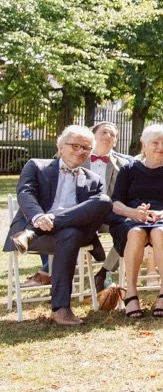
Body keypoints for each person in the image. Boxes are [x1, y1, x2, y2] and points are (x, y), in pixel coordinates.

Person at [5, 126, 112, 326]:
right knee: (71, 233)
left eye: (87, 148)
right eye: (76, 146)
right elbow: (25, 193)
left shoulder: (93, 179)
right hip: (42, 234)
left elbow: (94, 214)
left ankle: (31, 233)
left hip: (50, 234)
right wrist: (38, 217)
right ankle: (61, 308)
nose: (81, 151)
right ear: (61, 146)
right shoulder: (36, 166)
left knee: (104, 201)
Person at [111, 124, 163, 318]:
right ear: (144, 144)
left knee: (159, 232)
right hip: (132, 218)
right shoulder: (128, 170)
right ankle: (131, 292)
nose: (160, 147)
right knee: (136, 233)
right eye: (155, 142)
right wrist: (133, 213)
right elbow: (115, 202)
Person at [85, 121, 131, 294]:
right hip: (83, 214)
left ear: (116, 142)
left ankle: (104, 272)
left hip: (111, 213)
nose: (108, 136)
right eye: (104, 132)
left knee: (129, 229)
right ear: (93, 136)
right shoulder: (78, 157)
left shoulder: (124, 164)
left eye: (113, 135)